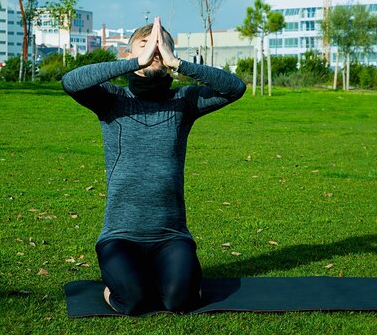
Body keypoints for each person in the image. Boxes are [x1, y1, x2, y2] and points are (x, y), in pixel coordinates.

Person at [61, 17, 246, 315]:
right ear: (131, 54)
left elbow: (235, 88)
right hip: (120, 236)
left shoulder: (183, 101)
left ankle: (173, 278)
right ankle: (117, 285)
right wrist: (135, 61)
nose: (154, 51)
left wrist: (179, 64)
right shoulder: (112, 99)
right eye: (145, 45)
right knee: (133, 301)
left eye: (161, 46)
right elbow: (70, 82)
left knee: (180, 301)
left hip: (170, 236)